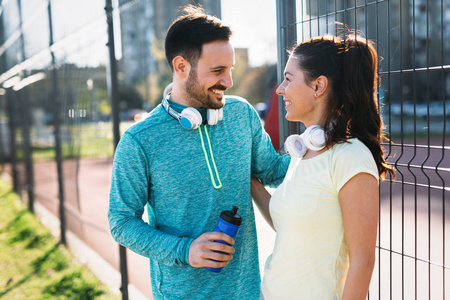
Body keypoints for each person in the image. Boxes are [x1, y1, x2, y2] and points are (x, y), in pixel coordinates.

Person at [108, 5, 290, 300]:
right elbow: (121, 222)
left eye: (229, 70)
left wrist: (322, 147)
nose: (228, 82)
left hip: (247, 292)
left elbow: (273, 171)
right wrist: (185, 250)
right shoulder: (140, 140)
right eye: (217, 71)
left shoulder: (242, 115)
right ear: (181, 67)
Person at [251, 33, 395, 300]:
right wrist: (250, 181)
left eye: (288, 79)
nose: (280, 89)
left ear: (318, 86)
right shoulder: (305, 151)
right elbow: (291, 226)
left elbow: (362, 264)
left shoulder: (351, 157)